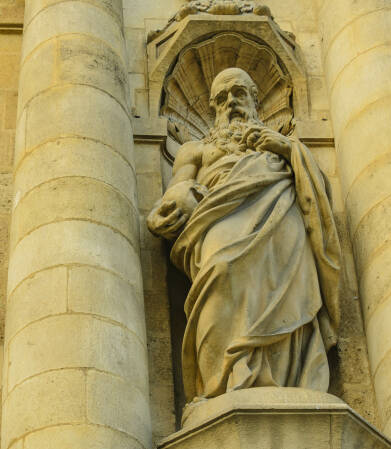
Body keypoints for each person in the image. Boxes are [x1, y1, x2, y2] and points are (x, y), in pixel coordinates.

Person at [147, 68, 342, 407]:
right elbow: (178, 187)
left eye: (238, 93)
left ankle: (287, 379)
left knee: (287, 288)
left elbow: (318, 189)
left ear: (254, 98)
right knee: (220, 270)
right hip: (218, 217)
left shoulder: (280, 143)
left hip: (281, 217)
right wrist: (166, 209)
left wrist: (285, 148)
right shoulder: (195, 149)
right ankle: (222, 383)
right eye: (222, 98)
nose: (231, 102)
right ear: (212, 106)